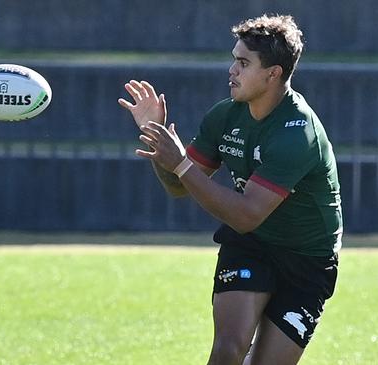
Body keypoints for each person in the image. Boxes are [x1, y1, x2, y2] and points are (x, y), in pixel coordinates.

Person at [118, 14, 342, 365]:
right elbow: (179, 185)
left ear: (273, 74)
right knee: (228, 349)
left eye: (243, 63)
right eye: (233, 59)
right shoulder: (226, 116)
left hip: (308, 258)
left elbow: (246, 214)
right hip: (252, 245)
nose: (232, 70)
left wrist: (179, 162)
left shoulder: (297, 133)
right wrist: (156, 136)